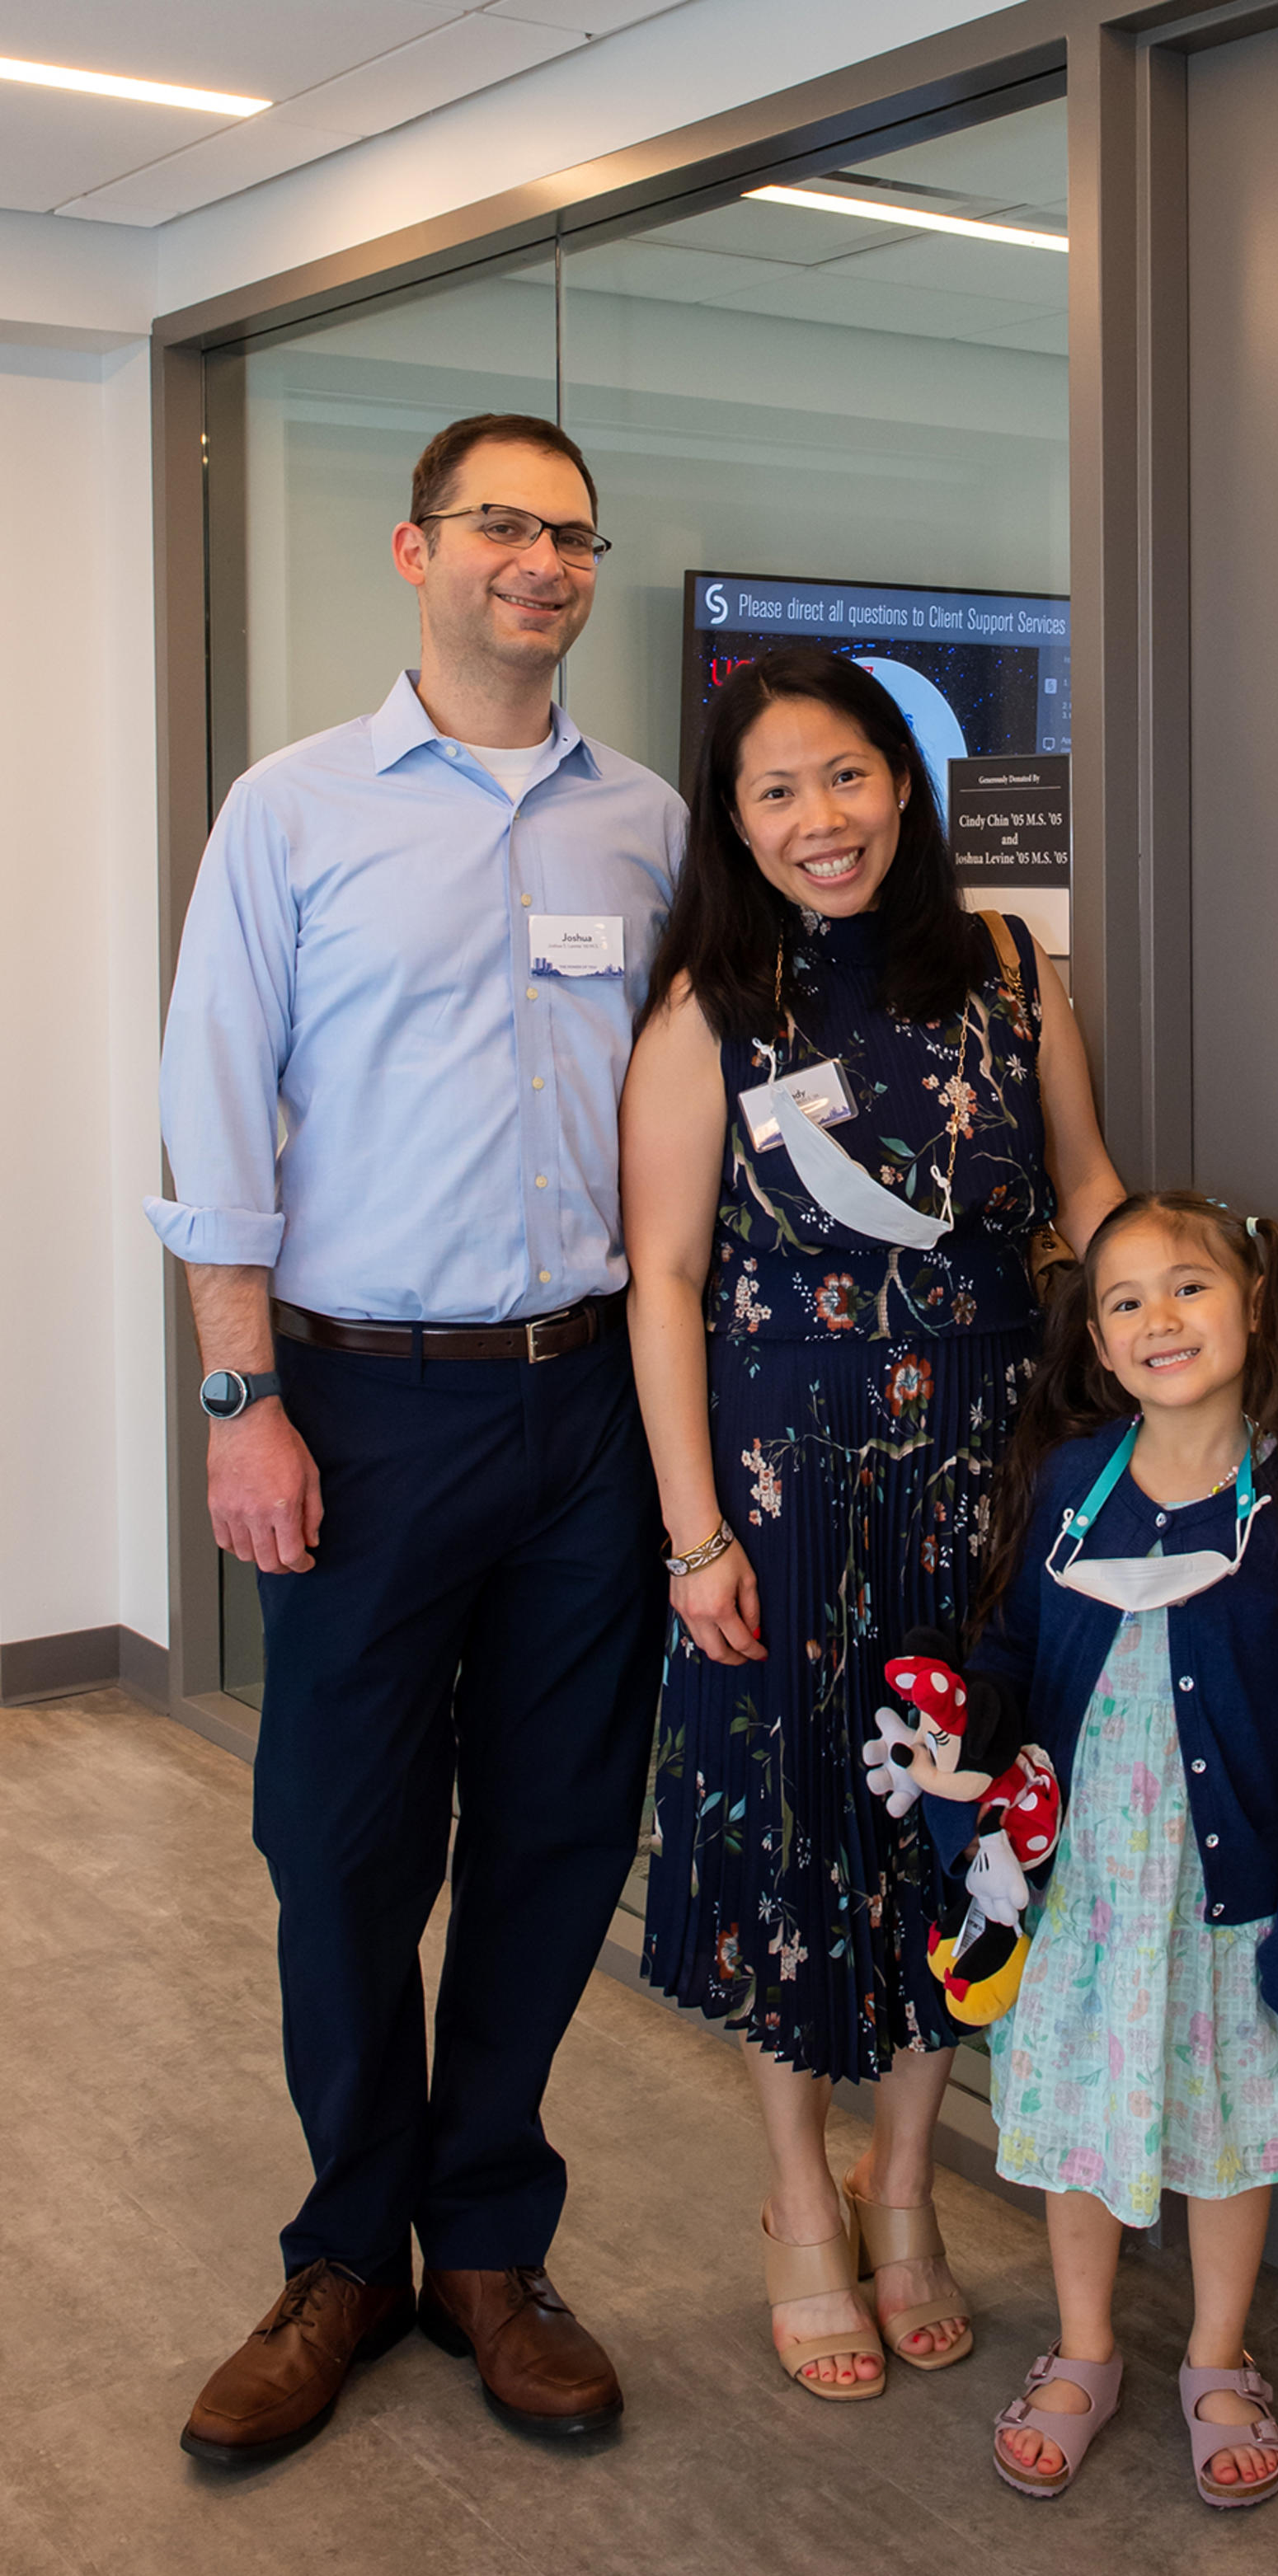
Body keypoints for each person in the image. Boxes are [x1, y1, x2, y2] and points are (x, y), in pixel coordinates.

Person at [148, 412, 688, 2465]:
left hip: (589, 1410)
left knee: (560, 1830)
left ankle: (489, 2244)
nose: (539, 561)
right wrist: (241, 1395)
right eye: (500, 526)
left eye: (569, 530)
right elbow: (215, 1116)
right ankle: (344, 2251)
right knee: (343, 1845)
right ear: (415, 550)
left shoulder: (644, 822)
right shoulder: (292, 813)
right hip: (359, 1403)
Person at [620, 645, 1123, 2400]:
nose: (818, 818)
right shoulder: (710, 1004)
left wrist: (1172, 1341)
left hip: (983, 1464)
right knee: (796, 1827)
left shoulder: (1004, 965)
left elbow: (1082, 1188)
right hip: (785, 1478)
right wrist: (696, 1533)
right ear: (734, 822)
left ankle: (906, 2191)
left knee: (953, 1826)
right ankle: (796, 2207)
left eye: (846, 776)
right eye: (775, 790)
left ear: (902, 787)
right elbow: (665, 1278)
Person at [910, 1189, 1278, 2504]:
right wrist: (966, 1758)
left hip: (1232, 1910)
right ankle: (1084, 2349)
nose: (1158, 1318)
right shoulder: (1070, 1482)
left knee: (1228, 2138)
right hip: (1087, 1902)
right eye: (1126, 1301)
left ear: (1254, 1302)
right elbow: (1004, 1656)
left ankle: (1219, 2361)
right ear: (1101, 1346)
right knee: (1072, 2131)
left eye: (1187, 1287)